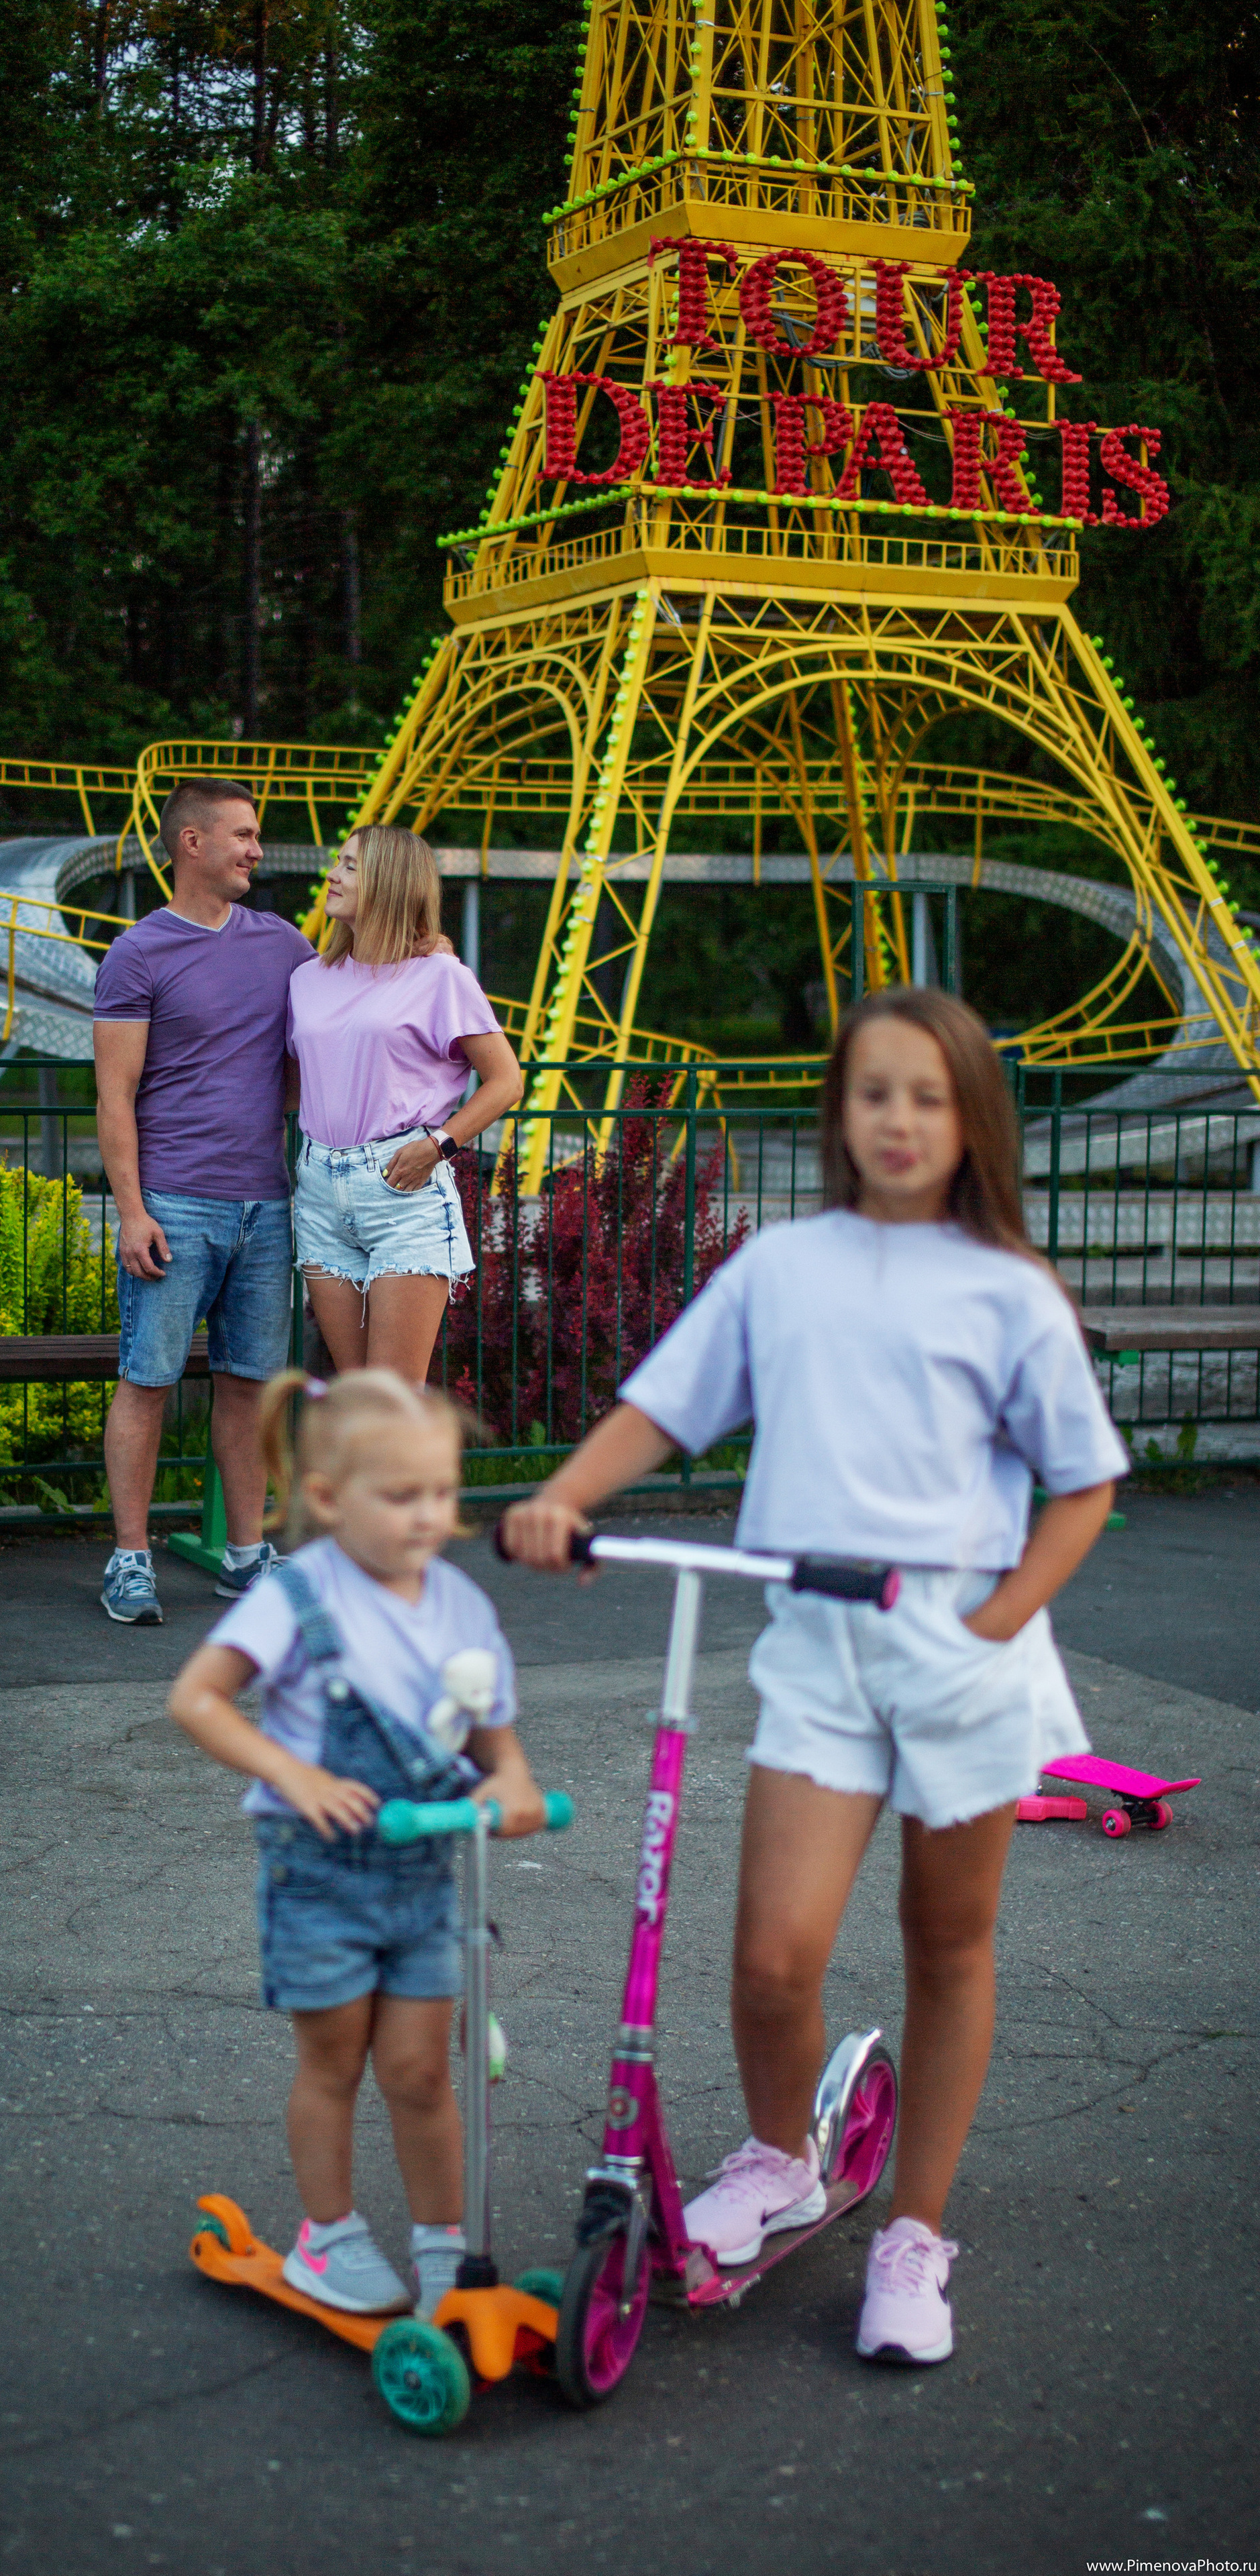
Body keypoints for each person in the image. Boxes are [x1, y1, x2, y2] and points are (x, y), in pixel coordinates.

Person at [498, 987, 1128, 2366]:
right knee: (774, 1954)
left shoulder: (1005, 1287)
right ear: (838, 1113)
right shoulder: (782, 1268)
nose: (897, 1119)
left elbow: (1081, 1488)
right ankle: (779, 2159)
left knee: (942, 1942)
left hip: (959, 1651)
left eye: (925, 1095)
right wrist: (558, 1498)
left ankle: (911, 2234)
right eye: (871, 1093)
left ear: (968, 1120)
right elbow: (664, 1405)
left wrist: (997, 1616)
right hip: (817, 1648)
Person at [168, 1368, 547, 2318]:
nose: (429, 1516)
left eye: (444, 1494)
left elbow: (495, 1733)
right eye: (403, 1495)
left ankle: (444, 2257)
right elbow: (197, 1698)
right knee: (334, 2063)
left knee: (422, 2071)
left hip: (425, 1879)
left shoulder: (462, 1606)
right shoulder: (298, 1595)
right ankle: (326, 2238)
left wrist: (513, 1783)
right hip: (321, 1876)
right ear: (330, 1499)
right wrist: (290, 1774)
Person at [93, 778, 315, 1625]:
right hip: (174, 1207)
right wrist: (131, 1209)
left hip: (266, 1203)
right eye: (244, 835)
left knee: (249, 1386)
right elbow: (115, 1096)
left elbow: (328, 1032)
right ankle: (129, 1561)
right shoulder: (138, 953)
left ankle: (247, 1557)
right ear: (192, 843)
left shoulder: (285, 945)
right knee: (146, 1380)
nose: (257, 851)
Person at [287, 825, 524, 1383]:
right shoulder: (306, 980)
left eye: (350, 866)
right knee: (357, 1395)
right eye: (337, 862)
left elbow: (506, 1081)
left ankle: (419, 1474)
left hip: (402, 1185)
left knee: (392, 1398)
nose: (334, 874)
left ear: (390, 884)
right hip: (320, 1189)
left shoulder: (441, 976)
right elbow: (298, 1085)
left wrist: (438, 1146)